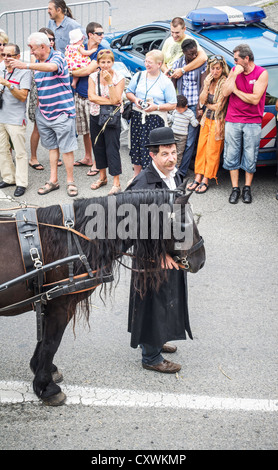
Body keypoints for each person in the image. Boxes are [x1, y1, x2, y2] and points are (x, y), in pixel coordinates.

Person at [127, 127, 193, 373]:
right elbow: (134, 230)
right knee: (152, 303)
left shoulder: (174, 176)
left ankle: (159, 338)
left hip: (172, 252)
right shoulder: (141, 186)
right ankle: (151, 357)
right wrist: (159, 255)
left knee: (168, 298)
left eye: (174, 152)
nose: (172, 158)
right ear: (152, 156)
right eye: (165, 154)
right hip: (151, 258)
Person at [10, 32, 78, 197]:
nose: (31, 52)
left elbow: (52, 68)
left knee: (67, 150)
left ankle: (70, 182)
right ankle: (53, 180)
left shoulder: (58, 57)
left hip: (62, 113)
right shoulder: (38, 63)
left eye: (32, 48)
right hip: (45, 114)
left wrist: (25, 65)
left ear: (43, 46)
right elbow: (40, 89)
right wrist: (39, 110)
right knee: (52, 148)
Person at [222, 44, 268, 204]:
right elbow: (224, 92)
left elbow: (255, 99)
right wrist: (234, 76)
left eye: (236, 59)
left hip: (252, 121)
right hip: (233, 119)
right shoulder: (235, 71)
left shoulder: (261, 73)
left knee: (250, 154)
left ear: (246, 58)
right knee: (231, 153)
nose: (234, 62)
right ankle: (235, 188)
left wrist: (236, 91)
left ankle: (247, 188)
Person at [126, 50, 177, 180]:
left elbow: (173, 104)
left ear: (159, 64)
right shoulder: (139, 76)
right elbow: (129, 92)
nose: (146, 64)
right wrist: (136, 100)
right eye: (146, 61)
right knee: (136, 146)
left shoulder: (166, 82)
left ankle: (152, 178)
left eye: (150, 62)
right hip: (138, 116)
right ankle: (136, 177)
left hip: (156, 119)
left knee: (154, 150)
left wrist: (157, 107)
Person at [187, 55, 229, 193]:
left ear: (222, 69)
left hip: (218, 121)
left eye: (218, 68)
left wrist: (207, 104)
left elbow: (218, 107)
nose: (215, 71)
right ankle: (197, 177)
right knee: (201, 149)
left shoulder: (224, 82)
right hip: (206, 119)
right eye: (213, 68)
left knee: (213, 151)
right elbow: (201, 101)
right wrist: (205, 86)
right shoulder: (208, 80)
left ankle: (206, 179)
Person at [88, 49, 125, 194]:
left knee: (112, 148)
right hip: (95, 115)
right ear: (98, 63)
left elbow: (117, 99)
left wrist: (110, 82)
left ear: (112, 62)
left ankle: (116, 182)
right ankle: (102, 177)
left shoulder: (118, 77)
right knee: (98, 146)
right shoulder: (92, 76)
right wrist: (110, 100)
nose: (105, 65)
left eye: (108, 62)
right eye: (102, 62)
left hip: (112, 117)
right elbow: (91, 97)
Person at [71, 22, 105, 174]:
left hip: (93, 96)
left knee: (95, 131)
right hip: (79, 94)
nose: (102, 36)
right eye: (99, 33)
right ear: (90, 34)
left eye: (102, 33)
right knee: (84, 130)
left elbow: (87, 70)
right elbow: (72, 58)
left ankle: (97, 162)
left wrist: (70, 72)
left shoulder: (101, 51)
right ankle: (87, 157)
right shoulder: (82, 46)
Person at [0, 43, 32, 197]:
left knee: (19, 152)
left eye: (9, 55)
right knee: (2, 150)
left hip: (15, 118)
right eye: (3, 55)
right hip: (1, 116)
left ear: (18, 57)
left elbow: (23, 96)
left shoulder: (24, 73)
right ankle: (8, 178)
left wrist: (7, 84)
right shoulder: (1, 68)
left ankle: (21, 183)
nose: (5, 58)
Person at [172, 39, 207, 177]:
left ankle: (182, 171)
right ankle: (174, 167)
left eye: (195, 53)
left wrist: (199, 107)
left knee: (189, 141)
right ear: (184, 52)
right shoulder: (178, 63)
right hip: (180, 107)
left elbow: (203, 86)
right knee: (178, 138)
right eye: (190, 54)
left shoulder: (201, 64)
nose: (193, 56)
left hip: (193, 106)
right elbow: (173, 82)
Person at [28, 27, 57, 171]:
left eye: (53, 39)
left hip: (51, 92)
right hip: (38, 91)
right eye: (49, 39)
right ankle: (33, 157)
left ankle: (54, 154)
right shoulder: (36, 56)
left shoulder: (55, 55)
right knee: (37, 127)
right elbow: (40, 68)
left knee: (53, 127)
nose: (51, 42)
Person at [169, 94, 199, 168]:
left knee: (179, 153)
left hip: (182, 137)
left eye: (180, 109)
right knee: (171, 151)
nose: (178, 110)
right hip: (173, 134)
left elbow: (194, 124)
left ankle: (176, 168)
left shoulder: (190, 113)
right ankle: (169, 165)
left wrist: (199, 119)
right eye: (177, 108)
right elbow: (172, 119)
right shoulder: (175, 111)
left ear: (186, 106)